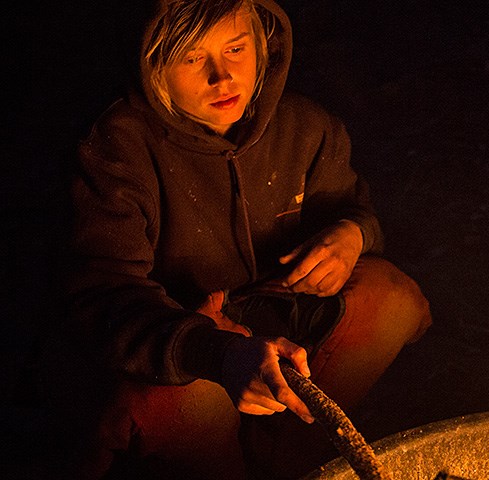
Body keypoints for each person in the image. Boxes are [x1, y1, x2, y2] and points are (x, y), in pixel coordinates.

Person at [43, 0, 432, 478]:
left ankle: (300, 458)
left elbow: (353, 209)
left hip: (280, 311)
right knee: (178, 407)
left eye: (235, 48)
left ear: (263, 44)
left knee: (390, 297)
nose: (222, 77)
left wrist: (352, 234)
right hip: (181, 333)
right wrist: (216, 351)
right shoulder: (116, 151)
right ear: (151, 66)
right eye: (191, 57)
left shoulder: (305, 127)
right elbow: (103, 296)